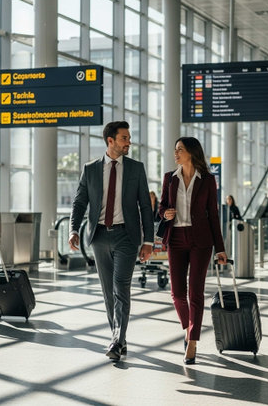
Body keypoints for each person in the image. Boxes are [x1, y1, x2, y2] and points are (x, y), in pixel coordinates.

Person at [69, 121, 153, 361]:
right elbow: (79, 202)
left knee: (121, 288)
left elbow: (145, 206)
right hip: (99, 237)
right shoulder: (91, 169)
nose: (129, 142)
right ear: (110, 141)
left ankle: (116, 340)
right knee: (108, 292)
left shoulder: (136, 169)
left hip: (127, 236)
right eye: (124, 138)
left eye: (128, 138)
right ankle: (119, 337)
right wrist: (73, 229)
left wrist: (148, 241)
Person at [159, 137, 227, 365]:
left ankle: (193, 342)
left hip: (201, 241)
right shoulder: (170, 178)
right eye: (175, 149)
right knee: (178, 293)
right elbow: (161, 206)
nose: (175, 153)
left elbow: (214, 215)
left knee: (195, 292)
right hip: (176, 238)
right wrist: (165, 213)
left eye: (180, 149)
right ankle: (188, 328)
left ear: (191, 152)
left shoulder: (207, 180)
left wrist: (221, 248)